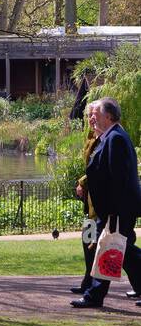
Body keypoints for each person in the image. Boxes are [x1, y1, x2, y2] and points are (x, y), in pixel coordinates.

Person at [72, 97, 141, 309]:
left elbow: (118, 179)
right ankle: (95, 295)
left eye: (97, 114)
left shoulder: (116, 139)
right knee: (121, 251)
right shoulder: (110, 137)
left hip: (116, 210)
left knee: (112, 249)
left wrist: (113, 212)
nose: (93, 118)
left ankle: (94, 296)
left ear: (108, 116)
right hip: (115, 210)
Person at [72, 102, 105, 295]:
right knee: (88, 239)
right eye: (88, 115)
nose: (90, 119)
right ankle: (87, 281)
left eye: (94, 115)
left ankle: (90, 284)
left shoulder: (105, 139)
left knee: (120, 248)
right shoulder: (92, 136)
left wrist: (82, 181)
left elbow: (98, 167)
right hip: (91, 202)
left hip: (99, 202)